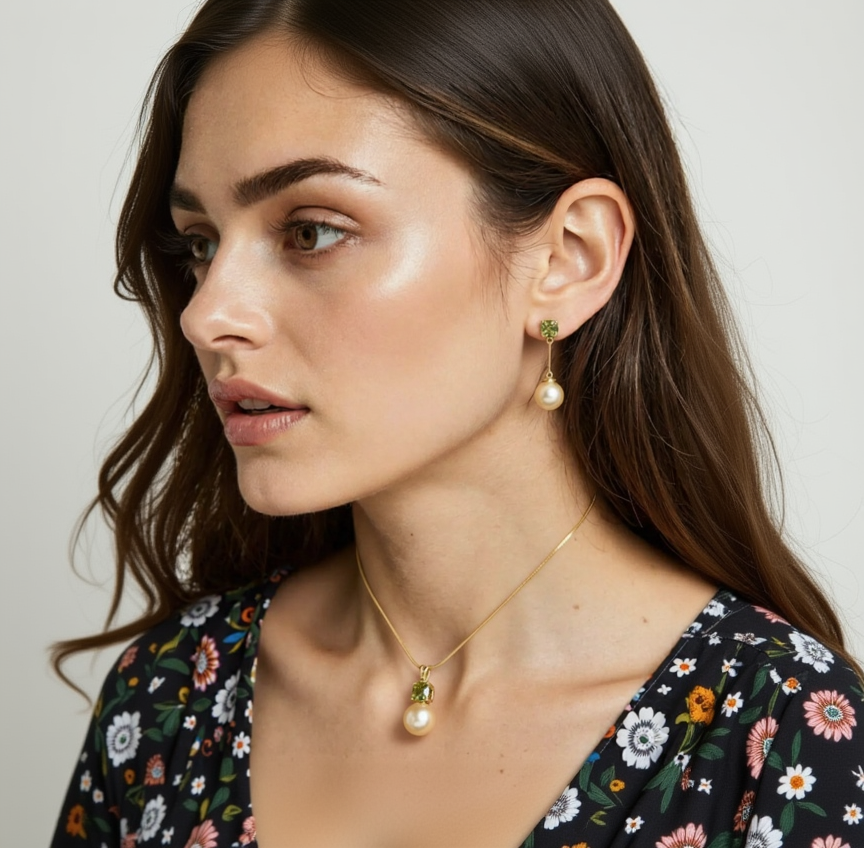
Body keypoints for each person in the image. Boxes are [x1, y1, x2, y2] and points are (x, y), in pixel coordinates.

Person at [50, 1, 863, 846]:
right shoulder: (169, 698)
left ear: (568, 259)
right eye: (200, 244)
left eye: (312, 231)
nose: (207, 315)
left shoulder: (787, 738)